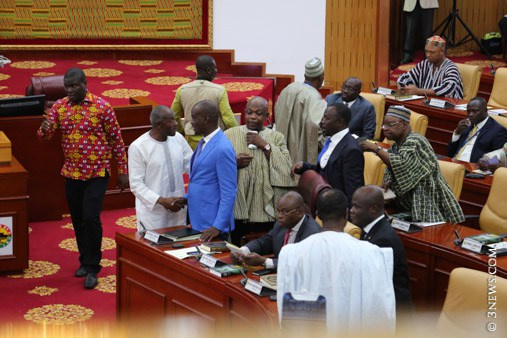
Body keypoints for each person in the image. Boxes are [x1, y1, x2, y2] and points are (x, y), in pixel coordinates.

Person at [37, 67, 129, 289]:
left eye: (74, 86)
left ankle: (93, 268)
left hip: (97, 172)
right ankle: (85, 259)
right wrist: (44, 129)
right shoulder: (59, 107)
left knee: (91, 218)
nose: (70, 90)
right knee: (78, 219)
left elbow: (117, 141)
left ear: (85, 83)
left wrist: (123, 171)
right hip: (72, 172)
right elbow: (44, 137)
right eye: (67, 86)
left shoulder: (102, 107)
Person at [277, 189, 395, 333]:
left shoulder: (293, 253)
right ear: (346, 214)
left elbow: (286, 306)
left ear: (318, 215)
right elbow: (380, 310)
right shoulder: (370, 254)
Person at [360, 105, 464, 224]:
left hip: (428, 203)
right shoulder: (396, 145)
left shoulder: (416, 141)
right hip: (406, 204)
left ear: (404, 124)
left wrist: (376, 148)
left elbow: (402, 164)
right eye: (384, 125)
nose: (385, 128)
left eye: (390, 124)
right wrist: (389, 183)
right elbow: (395, 170)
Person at [224, 97, 296, 244]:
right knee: (237, 247)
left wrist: (265, 145)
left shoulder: (276, 137)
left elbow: (286, 171)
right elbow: (216, 165)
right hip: (238, 203)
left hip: (265, 207)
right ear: (244, 113)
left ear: (266, 117)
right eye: (249, 112)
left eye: (258, 113)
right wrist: (233, 163)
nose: (253, 117)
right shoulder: (230, 134)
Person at [350, 185, 413, 314]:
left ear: (373, 209)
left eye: (357, 207)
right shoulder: (370, 229)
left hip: (395, 313)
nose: (351, 211)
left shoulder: (383, 239)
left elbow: (375, 284)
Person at [128, 105, 192, 231]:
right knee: (153, 248)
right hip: (153, 213)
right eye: (170, 120)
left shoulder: (178, 139)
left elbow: (192, 166)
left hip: (179, 207)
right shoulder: (138, 147)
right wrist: (162, 201)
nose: (175, 124)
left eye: (174, 119)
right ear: (158, 124)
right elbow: (136, 185)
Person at [292, 103, 364, 205]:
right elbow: (326, 171)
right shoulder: (331, 140)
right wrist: (305, 166)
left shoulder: (351, 150)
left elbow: (353, 190)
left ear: (340, 122)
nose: (322, 122)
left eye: (326, 118)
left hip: (336, 209)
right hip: (323, 202)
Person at [186, 100, 237, 242]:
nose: (191, 122)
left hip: (212, 227)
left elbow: (229, 190)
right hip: (199, 220)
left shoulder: (222, 148)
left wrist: (218, 226)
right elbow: (203, 179)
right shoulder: (203, 142)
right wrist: (185, 198)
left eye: (194, 117)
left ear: (206, 119)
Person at [230, 191, 320, 268]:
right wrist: (242, 252)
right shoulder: (282, 224)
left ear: (299, 212)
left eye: (284, 212)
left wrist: (264, 261)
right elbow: (264, 242)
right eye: (278, 210)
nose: (279, 216)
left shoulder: (312, 234)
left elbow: (298, 264)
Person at [171, 55, 238, 149]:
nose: (216, 71)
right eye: (215, 68)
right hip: (214, 141)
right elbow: (227, 118)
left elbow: (174, 116)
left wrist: (182, 132)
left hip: (191, 142)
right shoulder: (219, 90)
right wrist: (238, 133)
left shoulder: (182, 90)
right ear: (209, 70)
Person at [275, 57, 327, 164]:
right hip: (301, 155)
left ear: (305, 76)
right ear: (321, 77)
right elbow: (316, 127)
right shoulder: (314, 97)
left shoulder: (287, 89)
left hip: (281, 150)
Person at [397, 35, 464, 99]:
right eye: (426, 51)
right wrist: (402, 87)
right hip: (426, 104)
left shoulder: (451, 68)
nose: (428, 55)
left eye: (432, 52)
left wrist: (418, 91)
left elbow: (447, 88)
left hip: (448, 107)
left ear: (442, 52)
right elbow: (404, 78)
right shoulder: (424, 64)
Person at [448, 97, 507, 163]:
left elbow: (501, 157)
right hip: (454, 163)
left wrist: (487, 164)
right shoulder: (466, 125)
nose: (470, 115)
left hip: (474, 168)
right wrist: (457, 133)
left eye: (475, 111)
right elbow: (450, 153)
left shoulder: (498, 131)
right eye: (468, 111)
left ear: (485, 110)